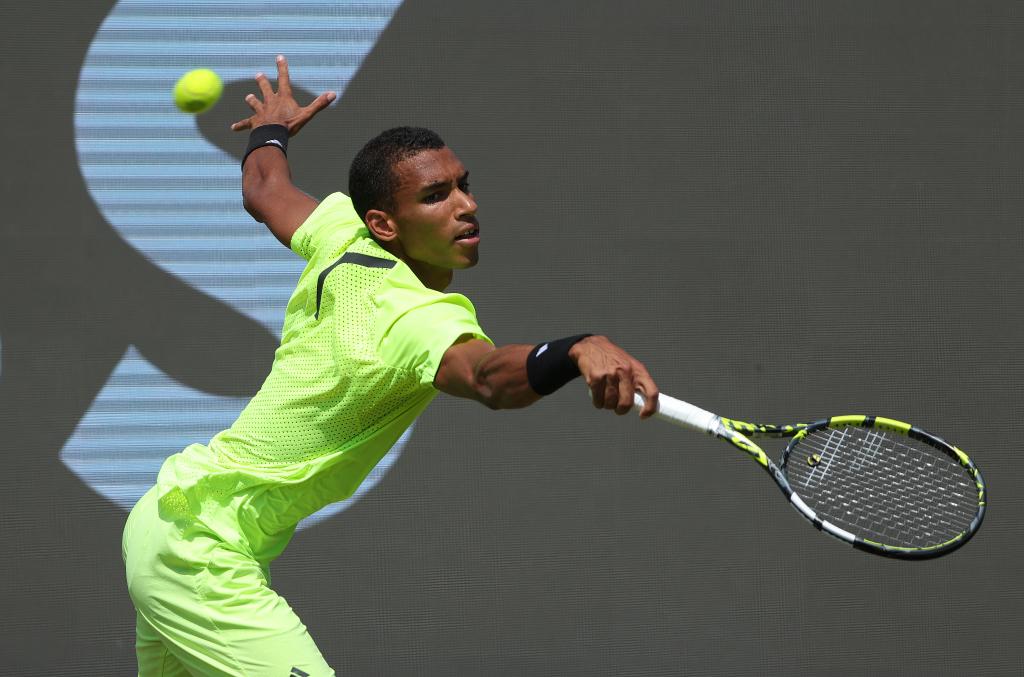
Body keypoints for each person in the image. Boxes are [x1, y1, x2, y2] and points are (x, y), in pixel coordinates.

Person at [122, 55, 660, 676]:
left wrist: (272, 130)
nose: (466, 205)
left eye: (462, 185)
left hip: (168, 522)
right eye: (436, 196)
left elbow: (264, 188)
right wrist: (572, 349)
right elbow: (487, 378)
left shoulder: (341, 235)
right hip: (199, 552)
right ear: (382, 223)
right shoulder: (409, 316)